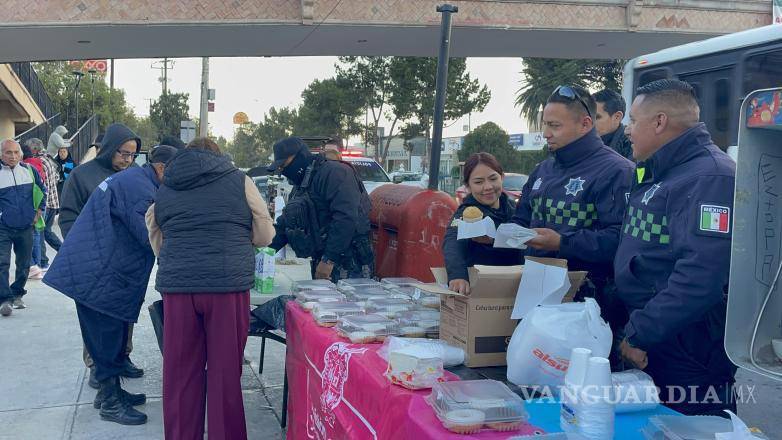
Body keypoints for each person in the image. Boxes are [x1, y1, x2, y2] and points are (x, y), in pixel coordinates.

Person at [615, 79, 737, 416]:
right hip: (659, 338)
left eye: (633, 121)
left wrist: (640, 333)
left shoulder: (711, 178)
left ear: (659, 122)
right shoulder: (662, 171)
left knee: (694, 429)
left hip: (687, 347)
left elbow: (701, 276)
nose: (627, 130)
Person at [145, 138, 274, 439]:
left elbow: (154, 229)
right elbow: (265, 232)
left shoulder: (167, 184)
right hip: (227, 287)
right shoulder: (239, 180)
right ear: (219, 155)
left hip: (179, 289)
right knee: (225, 372)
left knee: (179, 373)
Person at [44, 144, 178, 425]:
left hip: (101, 270)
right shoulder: (139, 188)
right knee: (105, 339)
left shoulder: (137, 180)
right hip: (99, 275)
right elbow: (147, 234)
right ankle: (110, 403)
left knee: (111, 336)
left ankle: (110, 393)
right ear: (163, 168)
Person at [511, 85, 634, 330]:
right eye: (545, 124)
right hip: (534, 300)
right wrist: (503, 234)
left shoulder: (617, 172)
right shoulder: (543, 169)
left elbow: (622, 240)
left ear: (585, 124)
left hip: (589, 307)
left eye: (555, 126)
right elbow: (521, 218)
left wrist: (562, 242)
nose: (545, 133)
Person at [58, 123, 143, 388]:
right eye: (122, 153)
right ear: (107, 149)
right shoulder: (82, 176)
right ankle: (97, 365)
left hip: (126, 261)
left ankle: (121, 357)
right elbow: (68, 216)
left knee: (125, 311)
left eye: (131, 155)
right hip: (94, 261)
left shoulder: (135, 175)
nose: (127, 160)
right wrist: (85, 248)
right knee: (96, 317)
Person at [267, 137, 374, 282]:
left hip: (349, 262)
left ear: (299, 156)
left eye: (284, 165)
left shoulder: (335, 173)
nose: (282, 171)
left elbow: (346, 218)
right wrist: (264, 251)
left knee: (346, 304)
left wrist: (329, 259)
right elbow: (286, 223)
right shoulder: (302, 184)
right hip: (322, 260)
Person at [443, 152, 523, 295]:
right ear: (468, 186)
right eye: (479, 182)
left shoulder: (515, 208)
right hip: (484, 291)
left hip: (517, 287)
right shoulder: (467, 212)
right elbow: (452, 241)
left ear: (502, 177)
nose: (488, 187)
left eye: (493, 179)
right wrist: (458, 275)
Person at [0, 139, 46, 317]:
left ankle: (17, 293)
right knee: (2, 263)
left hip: (26, 226)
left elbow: (43, 190)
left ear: (21, 153)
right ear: (1, 154)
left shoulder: (29, 171)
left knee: (24, 264)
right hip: (3, 227)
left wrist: (39, 211)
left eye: (16, 152)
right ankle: (5, 299)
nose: (12, 156)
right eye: (8, 152)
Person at [21, 142, 47, 281]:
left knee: (27, 239)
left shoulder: (27, 167)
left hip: (30, 209)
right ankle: (37, 265)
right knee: (36, 236)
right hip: (38, 206)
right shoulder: (40, 163)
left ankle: (33, 266)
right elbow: (44, 187)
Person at [37, 137, 63, 271]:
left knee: (41, 233)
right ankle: (64, 251)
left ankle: (43, 261)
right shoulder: (49, 160)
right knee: (46, 231)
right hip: (53, 202)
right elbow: (57, 177)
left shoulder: (39, 162)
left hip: (45, 204)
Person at [593, 89, 633, 160]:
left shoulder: (633, 145)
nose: (589, 122)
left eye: (596, 117)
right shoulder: (581, 142)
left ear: (617, 117)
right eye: (588, 117)